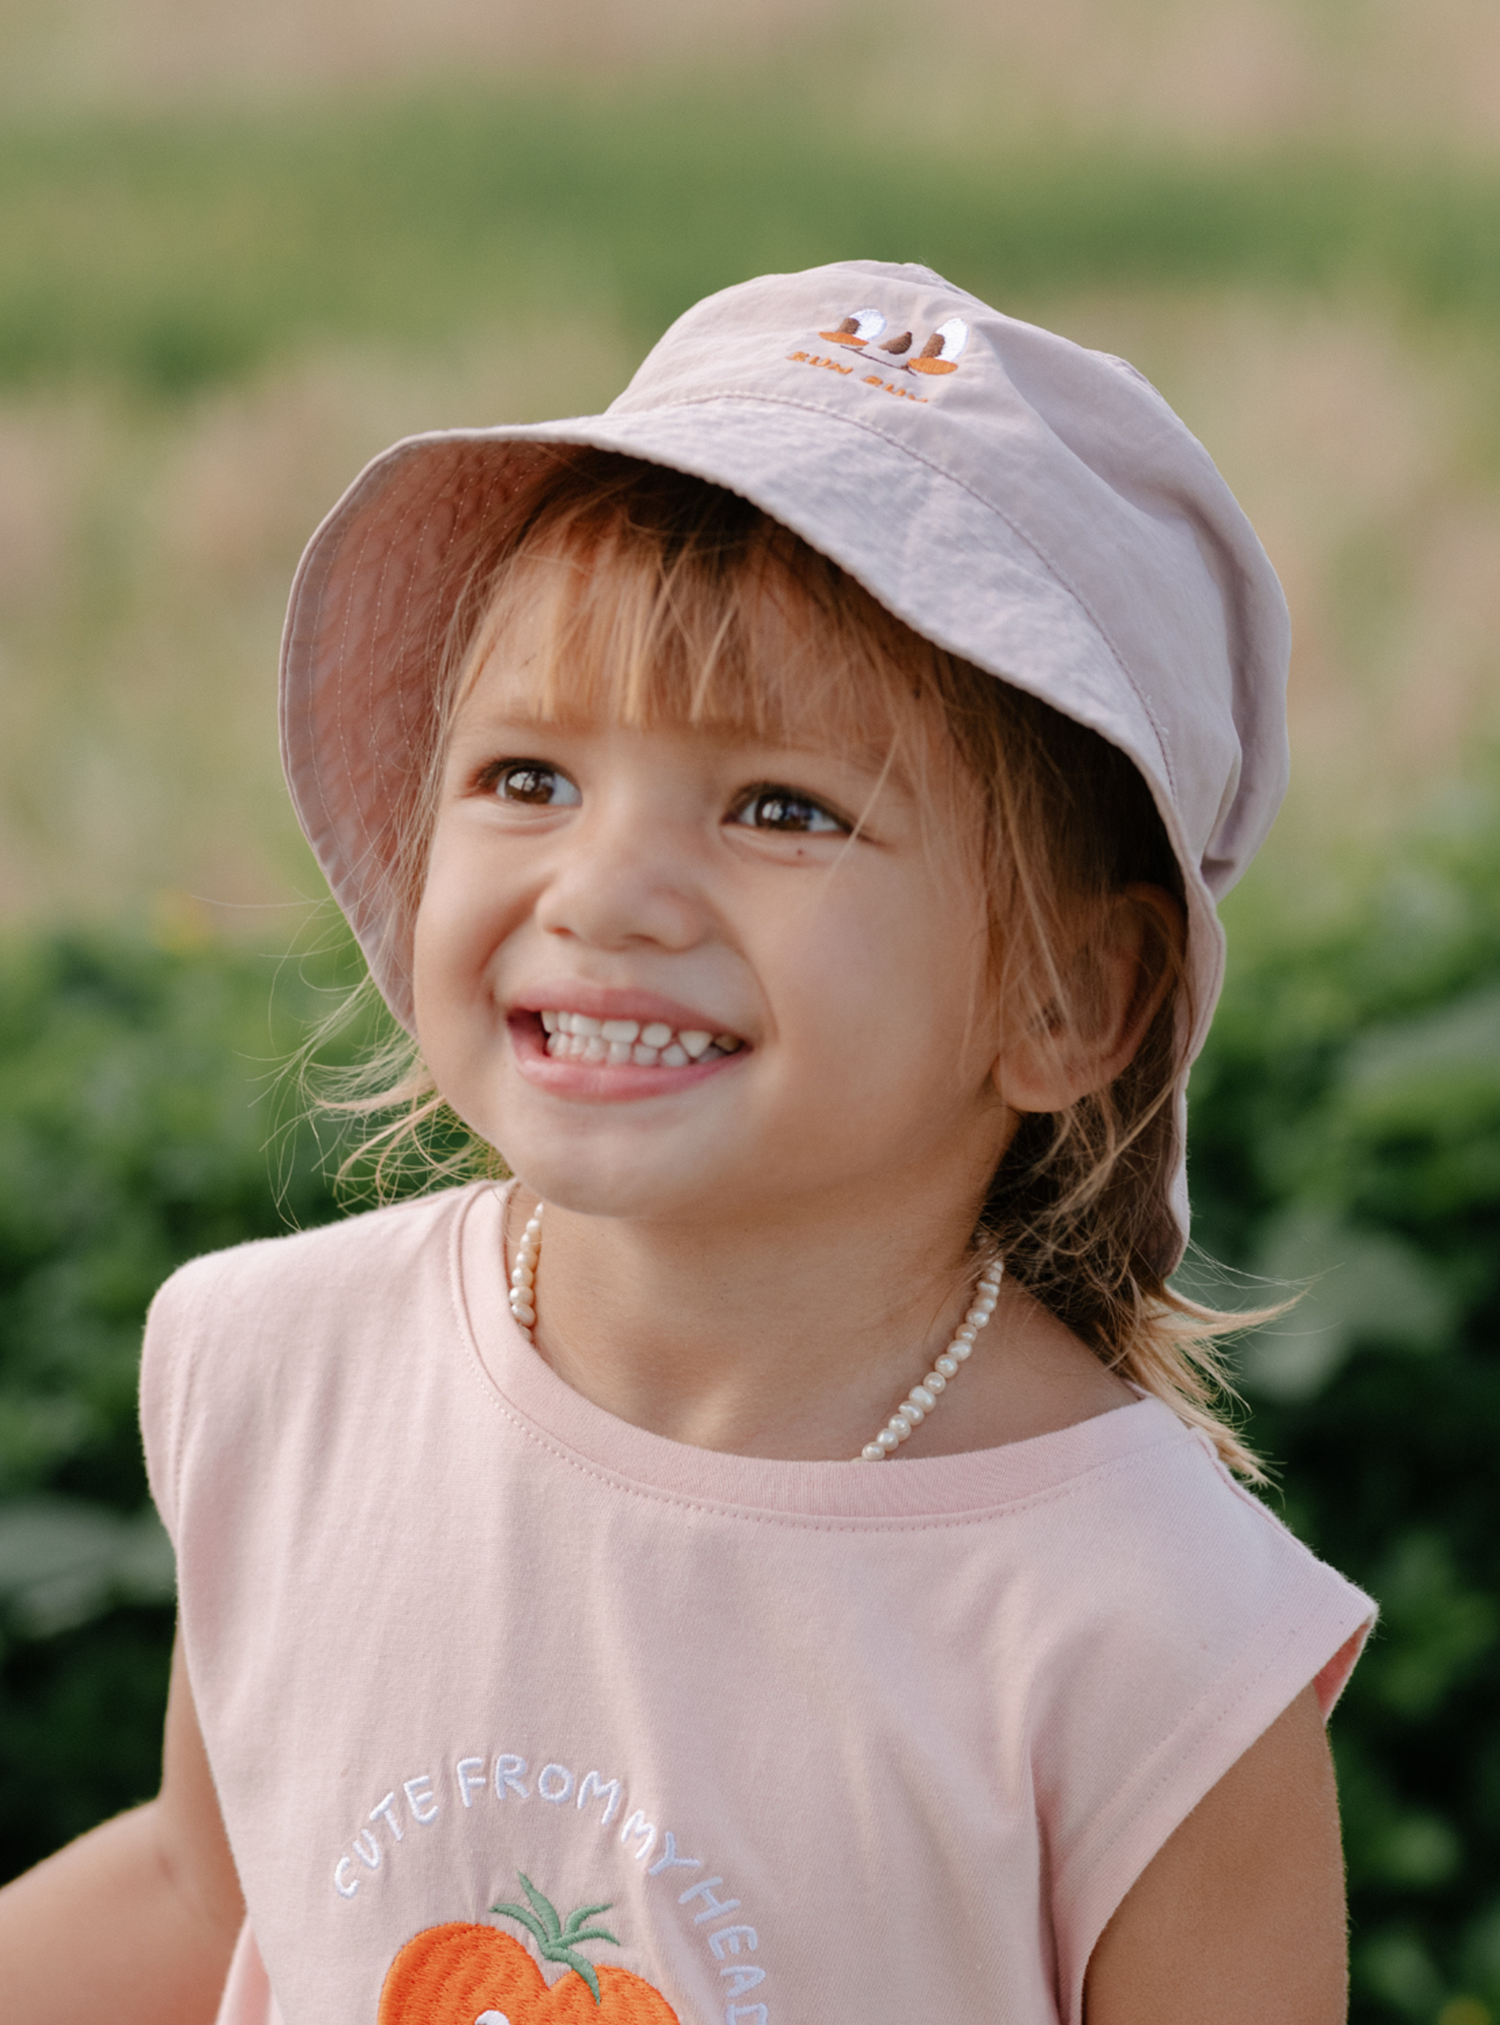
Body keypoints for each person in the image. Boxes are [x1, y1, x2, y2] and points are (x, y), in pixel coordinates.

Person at [0, 259, 1374, 2025]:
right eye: (529, 779)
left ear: (1071, 998)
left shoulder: (1150, 1638)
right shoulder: (284, 1370)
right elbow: (207, 1891)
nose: (606, 891)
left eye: (780, 807)